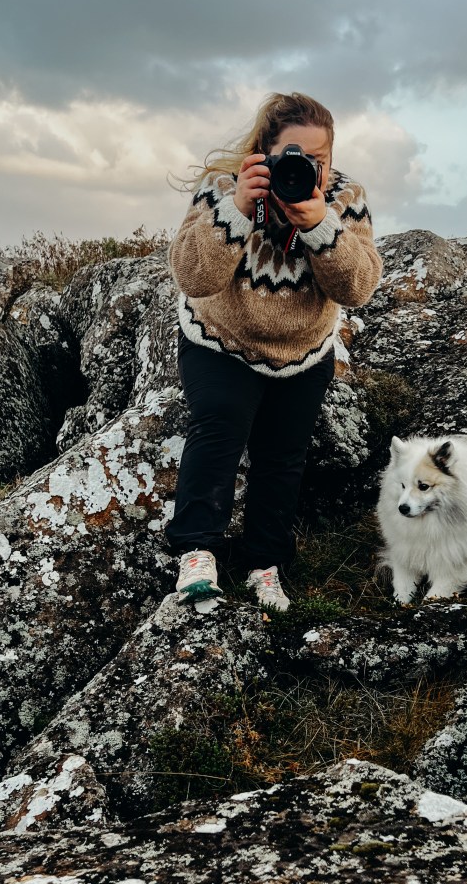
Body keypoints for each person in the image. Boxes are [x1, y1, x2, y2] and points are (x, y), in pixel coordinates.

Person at [165, 92, 383, 610]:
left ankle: (265, 566)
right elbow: (193, 277)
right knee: (219, 428)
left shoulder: (346, 198)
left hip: (304, 350)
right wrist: (238, 209)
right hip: (221, 339)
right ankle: (197, 552)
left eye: (318, 159)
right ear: (266, 150)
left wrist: (320, 224)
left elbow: (358, 288)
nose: (305, 168)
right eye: (293, 156)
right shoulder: (224, 185)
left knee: (283, 456)